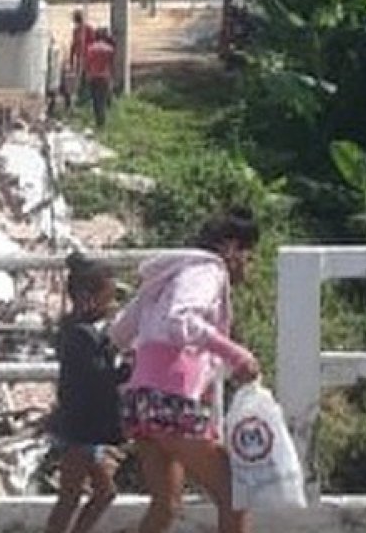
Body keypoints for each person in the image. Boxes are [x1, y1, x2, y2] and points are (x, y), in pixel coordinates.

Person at [108, 208, 262, 533]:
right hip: (173, 400)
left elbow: (119, 333)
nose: (249, 265)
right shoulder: (207, 270)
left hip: (141, 402)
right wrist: (236, 355)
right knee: (236, 493)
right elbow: (181, 322)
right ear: (231, 248)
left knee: (166, 506)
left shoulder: (163, 279)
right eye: (249, 256)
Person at [44, 252, 130, 533]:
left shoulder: (81, 331)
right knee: (70, 498)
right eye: (109, 296)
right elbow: (98, 378)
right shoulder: (80, 335)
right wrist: (127, 366)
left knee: (104, 493)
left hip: (85, 429)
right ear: (87, 296)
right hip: (80, 429)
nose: (112, 303)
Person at [84, 29, 116, 128]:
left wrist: (87, 74)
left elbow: (87, 63)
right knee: (102, 99)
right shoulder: (109, 49)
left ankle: (98, 120)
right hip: (104, 77)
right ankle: (102, 121)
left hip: (93, 76)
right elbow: (111, 64)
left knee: (95, 100)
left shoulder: (90, 48)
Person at [68, 10, 95, 103]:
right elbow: (74, 45)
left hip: (88, 58)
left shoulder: (88, 29)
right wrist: (71, 59)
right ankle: (81, 98)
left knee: (86, 78)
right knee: (79, 78)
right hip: (80, 58)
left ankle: (87, 97)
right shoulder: (76, 31)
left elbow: (92, 43)